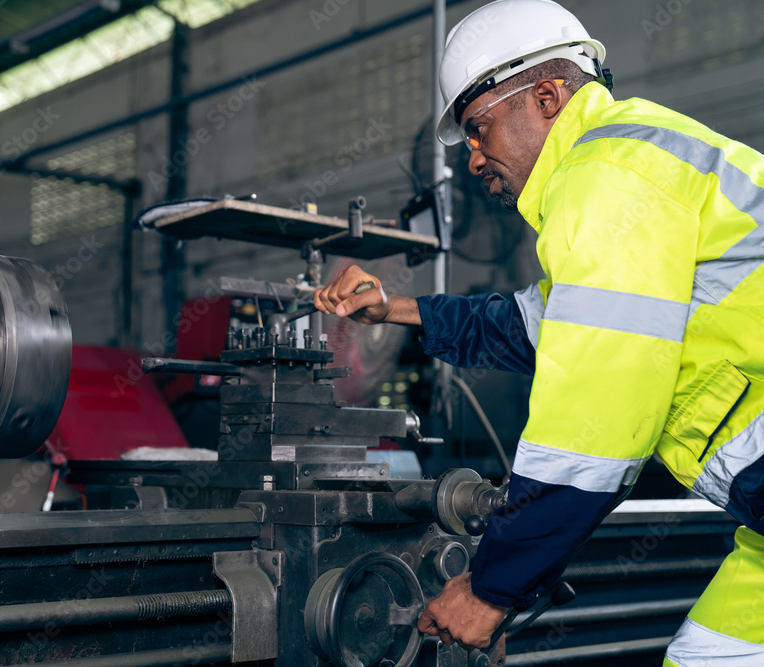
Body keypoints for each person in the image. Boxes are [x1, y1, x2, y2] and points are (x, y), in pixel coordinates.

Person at [314, 0, 764, 664]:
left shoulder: (608, 177)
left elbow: (597, 408)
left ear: (548, 96)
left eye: (479, 128)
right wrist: (394, 308)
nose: (472, 158)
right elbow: (533, 326)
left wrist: (495, 583)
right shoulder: (626, 165)